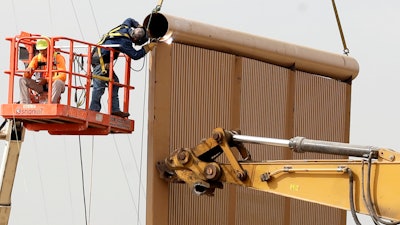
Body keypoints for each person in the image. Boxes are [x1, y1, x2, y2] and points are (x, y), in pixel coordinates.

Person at [90, 18, 157, 118]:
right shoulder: (125, 42)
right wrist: (147, 48)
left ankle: (114, 109)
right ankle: (93, 111)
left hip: (103, 61)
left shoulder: (125, 27)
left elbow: (129, 19)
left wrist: (138, 26)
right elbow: (135, 55)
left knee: (115, 83)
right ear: (135, 39)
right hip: (100, 62)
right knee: (99, 87)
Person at [19, 38, 66, 104]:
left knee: (58, 82)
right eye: (40, 50)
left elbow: (63, 76)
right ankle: (24, 103)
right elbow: (27, 75)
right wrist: (28, 71)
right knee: (22, 80)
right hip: (41, 86)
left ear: (49, 47)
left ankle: (52, 103)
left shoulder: (58, 57)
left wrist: (47, 80)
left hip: (54, 85)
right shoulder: (37, 58)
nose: (42, 52)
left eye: (44, 49)